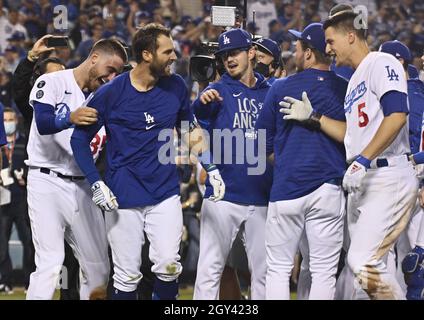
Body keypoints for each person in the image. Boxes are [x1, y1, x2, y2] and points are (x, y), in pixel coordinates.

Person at [70, 23, 224, 300]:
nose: (175, 56)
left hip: (164, 192)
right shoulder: (111, 93)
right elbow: (78, 141)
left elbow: (189, 130)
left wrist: (210, 166)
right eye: (168, 51)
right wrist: (96, 183)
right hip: (123, 196)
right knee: (127, 276)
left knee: (168, 266)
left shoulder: (176, 86)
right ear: (146, 55)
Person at [280, 4, 418, 299]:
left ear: (351, 36)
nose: (328, 49)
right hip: (365, 177)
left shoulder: (381, 62)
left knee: (362, 262)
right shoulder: (355, 79)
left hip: (387, 173)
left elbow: (397, 115)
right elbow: (352, 136)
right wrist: (314, 118)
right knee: (367, 274)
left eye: (331, 41)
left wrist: (364, 160)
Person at [26, 38, 127, 300]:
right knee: (50, 261)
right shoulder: (53, 81)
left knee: (99, 267)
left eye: (118, 72)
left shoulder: (106, 98)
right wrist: (69, 117)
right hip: (46, 179)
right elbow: (44, 122)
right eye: (110, 68)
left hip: (84, 184)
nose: (113, 76)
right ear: (94, 58)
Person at [255, 22, 347, 300]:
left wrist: (283, 160)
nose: (292, 51)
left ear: (308, 53)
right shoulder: (346, 89)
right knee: (322, 271)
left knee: (278, 270)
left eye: (297, 46)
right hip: (329, 189)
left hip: (287, 190)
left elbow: (261, 143)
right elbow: (356, 138)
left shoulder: (281, 87)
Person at [192, 28, 272, 300]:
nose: (229, 59)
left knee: (264, 274)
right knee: (209, 271)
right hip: (223, 195)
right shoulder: (216, 91)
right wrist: (202, 105)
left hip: (262, 196)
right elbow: (194, 128)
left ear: (251, 53)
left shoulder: (270, 92)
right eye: (224, 55)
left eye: (235, 52)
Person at [379, 41, 424, 300]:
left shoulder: (413, 94)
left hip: (411, 179)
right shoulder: (387, 91)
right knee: (399, 261)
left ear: (400, 63)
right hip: (396, 179)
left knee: (410, 263)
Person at [0, 107, 33, 294]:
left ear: (16, 121)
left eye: (10, 119)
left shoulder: (25, 142)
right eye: (4, 120)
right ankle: (6, 281)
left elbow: (34, 164)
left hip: (22, 199)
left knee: (28, 242)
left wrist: (25, 176)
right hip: (3, 199)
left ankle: (30, 281)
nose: (7, 123)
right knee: (2, 245)